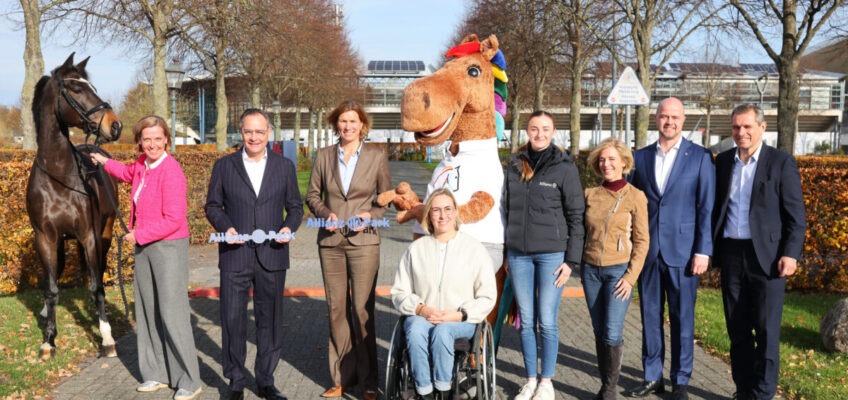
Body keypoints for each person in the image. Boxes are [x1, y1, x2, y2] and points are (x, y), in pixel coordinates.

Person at [90, 115, 202, 400]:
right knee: (148, 311)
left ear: (166, 139)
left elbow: (175, 220)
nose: (152, 144)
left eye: (157, 138)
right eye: (146, 139)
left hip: (168, 247)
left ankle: (189, 379)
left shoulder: (171, 171)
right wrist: (103, 162)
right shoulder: (142, 165)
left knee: (172, 314)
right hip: (145, 247)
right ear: (139, 141)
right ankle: (156, 373)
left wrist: (138, 235)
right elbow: (127, 173)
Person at [205, 108, 303, 400]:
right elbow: (212, 206)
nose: (254, 137)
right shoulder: (224, 166)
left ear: (269, 134)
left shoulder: (284, 167)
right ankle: (235, 383)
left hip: (272, 255)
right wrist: (227, 227)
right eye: (249, 131)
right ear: (241, 131)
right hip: (235, 255)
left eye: (260, 131)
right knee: (232, 321)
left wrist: (288, 227)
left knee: (269, 322)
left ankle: (266, 382)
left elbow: (296, 207)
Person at [712, 104, 805, 400]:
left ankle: (763, 393)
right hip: (731, 255)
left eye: (747, 127)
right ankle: (744, 389)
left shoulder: (781, 162)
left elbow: (796, 216)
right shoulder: (724, 161)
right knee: (737, 331)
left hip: (768, 259)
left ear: (762, 128)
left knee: (766, 332)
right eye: (737, 127)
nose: (741, 133)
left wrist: (790, 254)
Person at [624, 97, 715, 400]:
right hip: (648, 251)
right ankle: (652, 377)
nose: (669, 122)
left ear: (683, 119)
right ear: (656, 118)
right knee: (650, 316)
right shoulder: (641, 157)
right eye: (664, 116)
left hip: (684, 252)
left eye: (675, 117)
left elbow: (706, 209)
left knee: (682, 318)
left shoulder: (700, 157)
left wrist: (703, 250)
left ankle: (680, 382)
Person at [306, 100, 391, 400]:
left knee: (362, 310)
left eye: (353, 121)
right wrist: (325, 212)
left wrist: (370, 215)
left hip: (364, 240)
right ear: (336, 124)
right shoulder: (324, 156)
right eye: (343, 121)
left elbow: (385, 198)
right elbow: (312, 194)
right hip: (330, 242)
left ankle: (369, 381)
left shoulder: (376, 156)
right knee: (337, 309)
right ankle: (341, 378)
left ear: (362, 125)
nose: (347, 126)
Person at [504, 111, 585, 400]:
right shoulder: (514, 164)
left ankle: (547, 382)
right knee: (526, 320)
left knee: (547, 321)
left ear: (553, 132)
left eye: (545, 129)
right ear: (527, 131)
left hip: (552, 256)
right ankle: (529, 380)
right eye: (534, 129)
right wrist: (506, 253)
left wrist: (571, 262)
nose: (539, 134)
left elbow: (576, 217)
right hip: (519, 255)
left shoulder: (565, 168)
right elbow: (506, 209)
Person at [391, 188, 497, 400]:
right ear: (429, 214)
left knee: (443, 332)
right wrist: (421, 308)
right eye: (436, 210)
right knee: (414, 329)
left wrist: (458, 315)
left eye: (448, 209)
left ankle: (444, 389)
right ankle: (424, 391)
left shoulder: (474, 249)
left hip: (460, 320)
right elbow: (399, 292)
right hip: (424, 315)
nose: (442, 215)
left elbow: (487, 296)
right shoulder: (416, 249)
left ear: (456, 212)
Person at [582, 138, 649, 400]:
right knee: (599, 331)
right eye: (602, 159)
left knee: (612, 331)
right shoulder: (589, 194)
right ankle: (604, 385)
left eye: (611, 159)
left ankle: (609, 389)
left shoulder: (635, 196)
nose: (606, 164)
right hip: (590, 271)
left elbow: (642, 241)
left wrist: (630, 277)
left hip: (618, 273)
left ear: (623, 162)